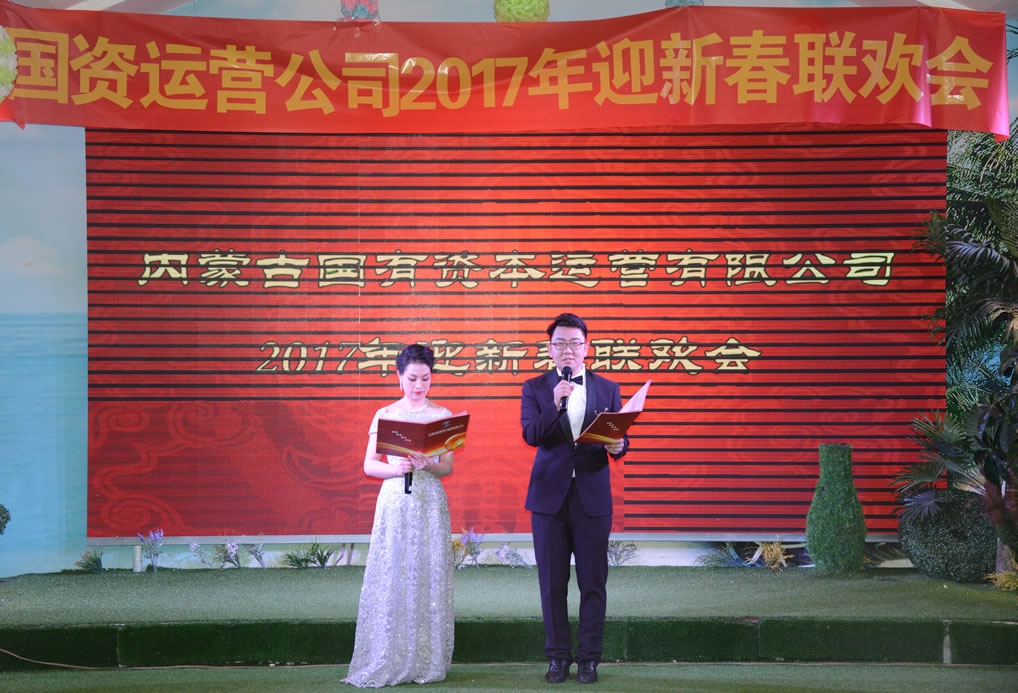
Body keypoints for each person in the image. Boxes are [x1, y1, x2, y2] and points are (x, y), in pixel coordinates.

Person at [520, 313, 629, 685]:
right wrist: (554, 404)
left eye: (575, 343)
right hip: (548, 501)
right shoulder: (535, 387)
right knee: (552, 584)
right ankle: (557, 658)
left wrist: (619, 445)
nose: (568, 350)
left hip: (592, 499)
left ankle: (589, 659)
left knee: (593, 583)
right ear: (550, 349)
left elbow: (618, 436)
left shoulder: (608, 388)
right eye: (560, 344)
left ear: (587, 347)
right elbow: (531, 435)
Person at [344, 343, 455, 687]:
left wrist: (428, 464)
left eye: (425, 378)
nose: (419, 385)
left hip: (429, 502)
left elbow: (447, 468)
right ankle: (388, 655)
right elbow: (369, 465)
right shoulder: (385, 414)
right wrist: (397, 469)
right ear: (399, 377)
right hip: (395, 501)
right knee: (394, 572)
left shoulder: (442, 415)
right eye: (412, 379)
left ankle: (425, 659)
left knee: (427, 574)